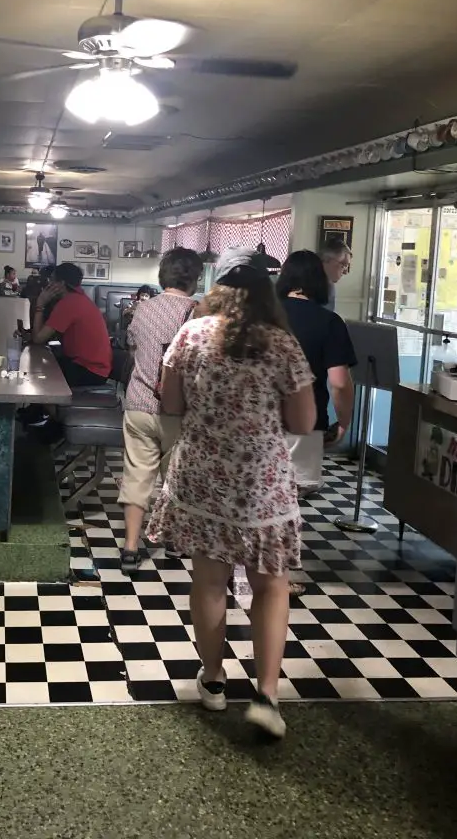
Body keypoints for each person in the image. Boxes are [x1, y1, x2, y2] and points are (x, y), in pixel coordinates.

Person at [147, 249, 315, 738]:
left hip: (202, 478)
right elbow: (304, 421)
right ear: (268, 296)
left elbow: (172, 404)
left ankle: (215, 680)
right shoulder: (282, 345)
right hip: (261, 483)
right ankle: (266, 694)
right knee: (271, 586)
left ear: (217, 291)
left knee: (209, 583)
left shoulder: (190, 335)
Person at [118, 249, 202, 575]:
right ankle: (176, 541)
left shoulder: (141, 310)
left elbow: (132, 347)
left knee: (137, 475)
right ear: (194, 278)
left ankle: (129, 548)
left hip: (139, 403)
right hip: (178, 411)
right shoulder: (196, 314)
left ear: (162, 276)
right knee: (177, 480)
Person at [276, 250, 357, 496]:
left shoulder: (260, 316)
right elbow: (339, 382)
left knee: (257, 497)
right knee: (292, 497)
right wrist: (343, 421)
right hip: (305, 420)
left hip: (256, 418)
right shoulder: (329, 322)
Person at [31, 262, 112, 386]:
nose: (48, 284)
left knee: (42, 371)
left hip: (90, 371)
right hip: (95, 367)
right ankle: (43, 405)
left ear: (61, 284)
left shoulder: (68, 303)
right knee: (48, 360)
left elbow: (38, 338)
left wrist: (40, 304)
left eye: (52, 280)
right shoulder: (79, 298)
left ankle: (45, 404)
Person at [319, 237, 352, 312]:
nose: (345, 272)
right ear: (325, 259)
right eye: (343, 265)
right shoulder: (305, 283)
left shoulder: (328, 284)